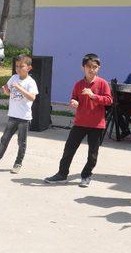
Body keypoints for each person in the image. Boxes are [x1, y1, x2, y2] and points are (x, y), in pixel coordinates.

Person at [44, 53, 112, 187]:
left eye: (94, 67)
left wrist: (94, 96)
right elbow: (74, 97)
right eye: (88, 66)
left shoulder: (103, 83)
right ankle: (62, 174)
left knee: (92, 154)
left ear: (98, 68)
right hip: (80, 122)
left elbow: (109, 100)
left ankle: (86, 175)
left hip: (97, 125)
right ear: (83, 67)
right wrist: (74, 102)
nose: (91, 69)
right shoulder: (78, 84)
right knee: (69, 149)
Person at [0, 54, 38, 173]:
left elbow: (32, 97)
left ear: (29, 68)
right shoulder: (13, 78)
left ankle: (18, 163)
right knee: (4, 139)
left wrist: (19, 88)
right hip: (12, 115)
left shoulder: (30, 82)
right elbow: (9, 92)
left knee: (21, 142)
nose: (18, 68)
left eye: (21, 66)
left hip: (24, 117)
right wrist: (6, 90)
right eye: (16, 66)